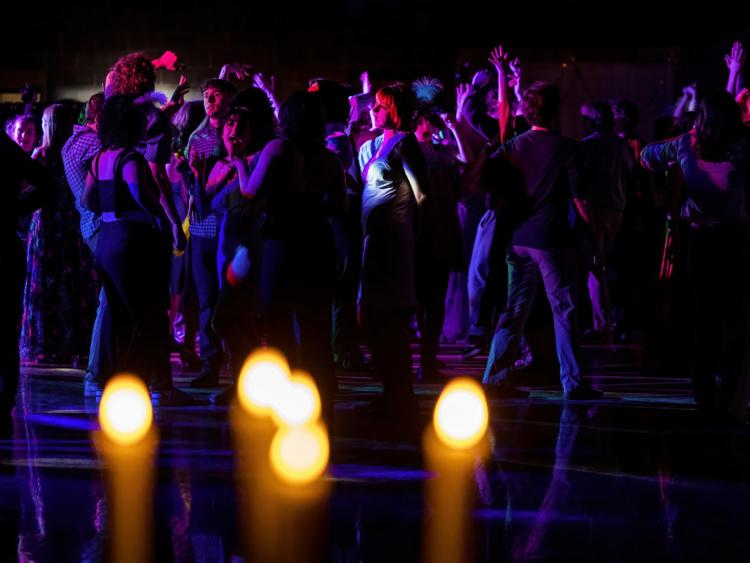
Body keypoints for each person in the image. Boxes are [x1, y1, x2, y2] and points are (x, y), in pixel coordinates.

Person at [481, 81, 601, 400]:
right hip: (551, 239)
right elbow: (580, 199)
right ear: (556, 109)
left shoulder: (512, 147)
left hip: (518, 238)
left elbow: (488, 182)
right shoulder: (566, 148)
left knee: (514, 310)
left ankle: (495, 378)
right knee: (564, 310)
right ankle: (573, 383)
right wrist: (597, 235)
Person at [641, 89, 750, 423]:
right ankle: (730, 402)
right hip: (735, 240)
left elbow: (646, 155)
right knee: (735, 323)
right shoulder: (743, 145)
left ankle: (706, 403)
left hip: (700, 242)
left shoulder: (686, 143)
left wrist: (674, 152)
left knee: (705, 323)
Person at [239, 90, 346, 423]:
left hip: (283, 244)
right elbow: (340, 207)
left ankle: (285, 404)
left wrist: (241, 163)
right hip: (317, 241)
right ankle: (322, 402)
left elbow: (249, 191)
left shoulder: (277, 149)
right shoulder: (330, 159)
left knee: (279, 324)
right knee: (316, 329)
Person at [82, 94, 190, 405]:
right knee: (146, 313)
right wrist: (160, 215)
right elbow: (139, 192)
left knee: (118, 315)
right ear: (130, 124)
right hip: (132, 239)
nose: (145, 123)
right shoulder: (130, 158)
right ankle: (154, 386)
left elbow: (87, 199)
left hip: (107, 239)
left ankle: (115, 382)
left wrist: (109, 207)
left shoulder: (100, 157)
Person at [357, 84, 428, 422]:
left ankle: (401, 397)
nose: (374, 109)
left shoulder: (405, 144)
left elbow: (421, 196)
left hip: (393, 241)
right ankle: (391, 391)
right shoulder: (374, 144)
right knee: (374, 316)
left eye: (380, 106)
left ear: (394, 110)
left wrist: (412, 236)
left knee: (388, 317)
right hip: (374, 239)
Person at [209, 88, 276, 404]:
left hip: (246, 248)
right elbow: (210, 202)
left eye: (240, 127)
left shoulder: (254, 161)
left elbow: (251, 197)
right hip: (226, 243)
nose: (233, 131)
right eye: (229, 125)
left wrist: (237, 165)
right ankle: (242, 384)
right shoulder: (223, 163)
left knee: (229, 316)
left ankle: (247, 381)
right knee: (235, 317)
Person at [21, 103, 98, 366]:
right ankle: (75, 342)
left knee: (48, 282)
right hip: (71, 221)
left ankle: (48, 345)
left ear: (47, 124)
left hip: (47, 224)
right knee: (72, 280)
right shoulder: (75, 152)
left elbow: (21, 186)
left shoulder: (41, 154)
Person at [1, 134, 56, 434]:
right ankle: (4, 401)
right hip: (6, 248)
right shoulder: (7, 148)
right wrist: (15, 209)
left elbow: (47, 185)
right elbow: (48, 186)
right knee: (6, 329)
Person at [185, 78, 237, 387]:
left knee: (232, 298)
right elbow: (193, 187)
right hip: (204, 226)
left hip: (231, 224)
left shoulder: (237, 130)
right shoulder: (197, 136)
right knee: (205, 299)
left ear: (229, 98)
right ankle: (210, 362)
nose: (209, 100)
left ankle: (241, 364)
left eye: (216, 95)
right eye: (206, 96)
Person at [61, 92, 113, 396]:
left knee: (110, 298)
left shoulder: (75, 140)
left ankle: (100, 372)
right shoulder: (94, 144)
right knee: (109, 300)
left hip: (92, 226)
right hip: (100, 226)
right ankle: (95, 374)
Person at [578, 101, 635, 340]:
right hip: (618, 210)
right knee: (609, 266)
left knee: (595, 267)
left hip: (595, 211)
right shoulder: (621, 145)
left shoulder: (586, 147)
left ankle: (602, 324)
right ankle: (613, 321)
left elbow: (579, 182)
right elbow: (631, 175)